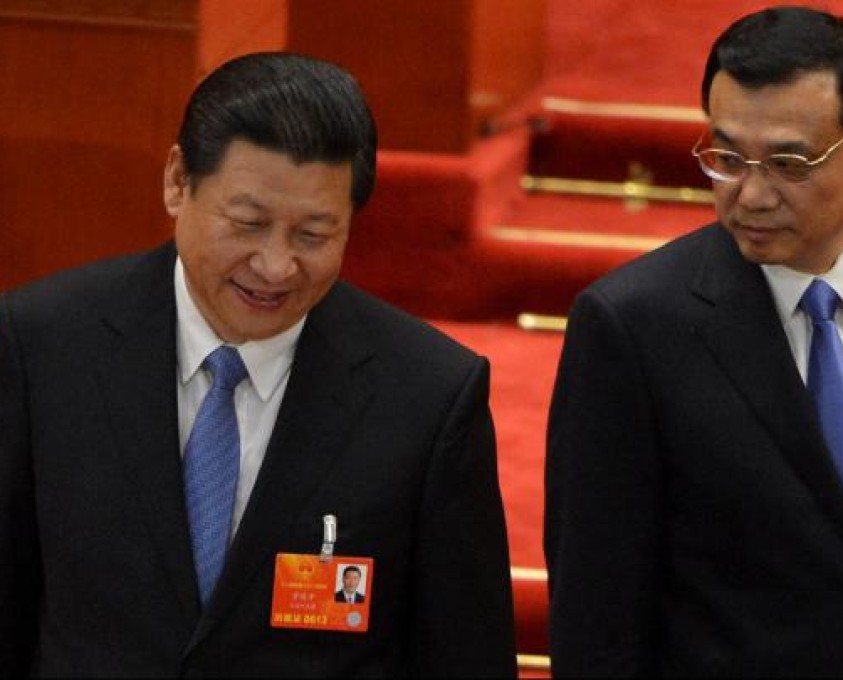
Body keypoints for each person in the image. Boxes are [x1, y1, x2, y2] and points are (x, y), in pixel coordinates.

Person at [0, 52, 516, 677]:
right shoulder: (42, 347)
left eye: (313, 236)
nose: (275, 266)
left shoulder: (428, 398)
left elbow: (465, 658)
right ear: (177, 181)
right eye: (248, 224)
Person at [544, 6, 843, 677]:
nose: (751, 194)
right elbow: (598, 611)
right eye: (727, 157)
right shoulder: (635, 326)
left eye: (789, 162)